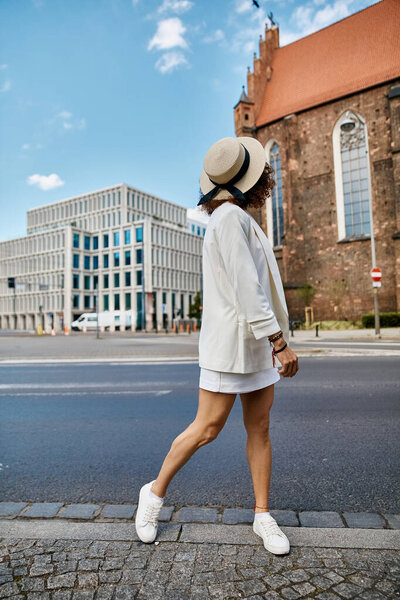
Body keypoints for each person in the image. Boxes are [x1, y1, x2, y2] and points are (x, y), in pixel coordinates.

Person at [135, 136, 299, 555]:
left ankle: (263, 514)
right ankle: (152, 495)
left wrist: (272, 340)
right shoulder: (228, 218)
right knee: (206, 428)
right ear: (253, 178)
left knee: (259, 429)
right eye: (263, 172)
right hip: (231, 346)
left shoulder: (241, 218)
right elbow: (247, 287)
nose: (267, 176)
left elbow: (258, 286)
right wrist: (280, 342)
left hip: (256, 344)